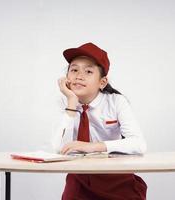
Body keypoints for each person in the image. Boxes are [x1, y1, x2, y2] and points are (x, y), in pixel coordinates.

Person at [51, 42, 147, 200]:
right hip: (80, 179)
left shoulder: (116, 102)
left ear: (102, 82)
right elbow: (58, 148)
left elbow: (139, 144)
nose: (79, 76)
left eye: (88, 71)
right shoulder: (66, 102)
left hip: (115, 177)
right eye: (74, 70)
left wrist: (92, 147)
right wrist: (72, 103)